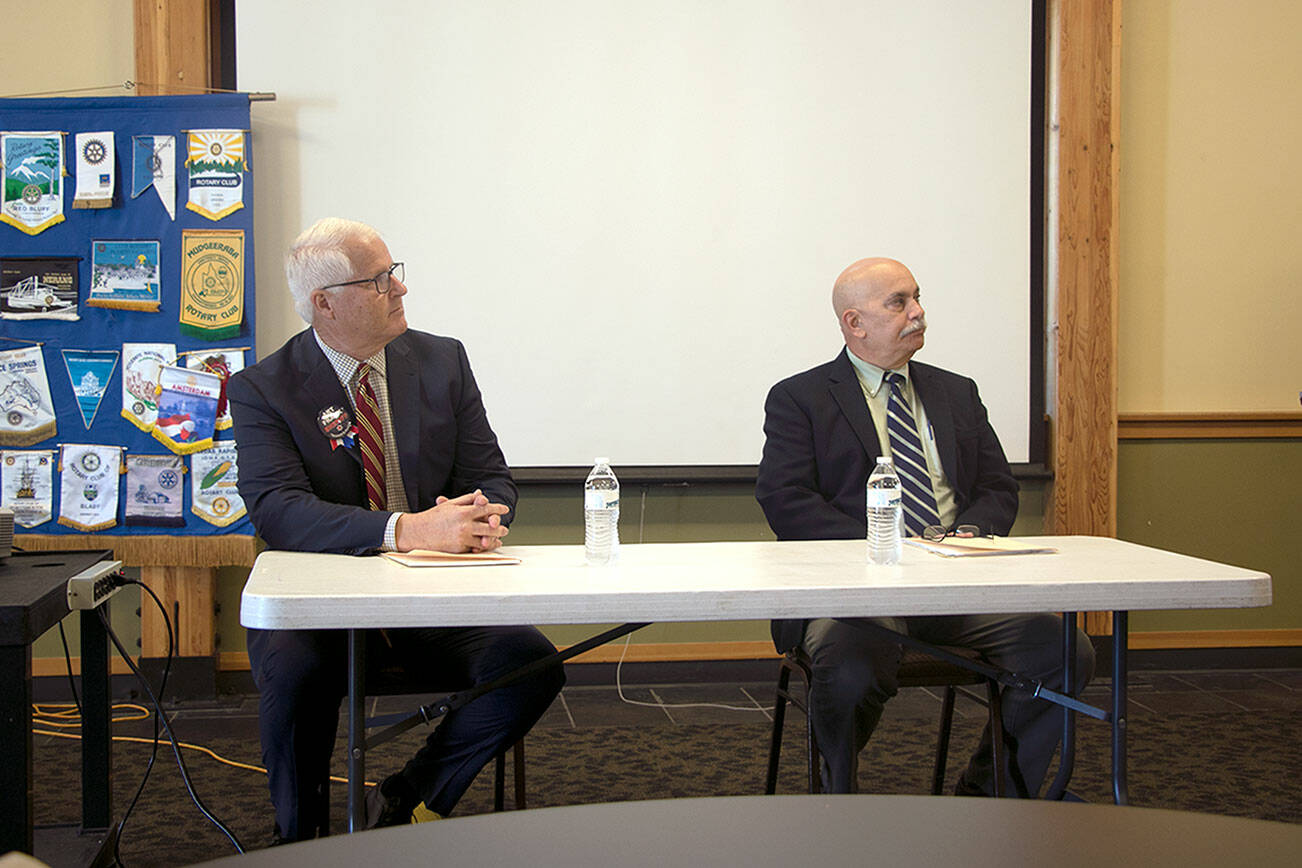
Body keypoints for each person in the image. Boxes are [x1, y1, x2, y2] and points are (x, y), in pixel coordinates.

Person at [229, 217, 564, 842]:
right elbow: (277, 508)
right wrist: (407, 530)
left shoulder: (442, 361)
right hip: (324, 603)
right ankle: (299, 843)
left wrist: (483, 517)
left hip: (438, 598)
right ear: (324, 304)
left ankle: (412, 796)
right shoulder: (264, 389)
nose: (400, 291)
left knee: (532, 665)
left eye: (394, 273)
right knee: (295, 676)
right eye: (380, 281)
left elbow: (492, 475)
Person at [755, 257, 1093, 797]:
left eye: (917, 298)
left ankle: (995, 791)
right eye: (898, 303)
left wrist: (969, 534)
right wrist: (889, 548)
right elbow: (786, 501)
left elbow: (997, 486)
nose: (918, 313)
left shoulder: (955, 392)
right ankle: (835, 799)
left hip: (954, 583)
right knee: (851, 659)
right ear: (854, 323)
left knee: (1063, 650)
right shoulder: (802, 397)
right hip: (855, 591)